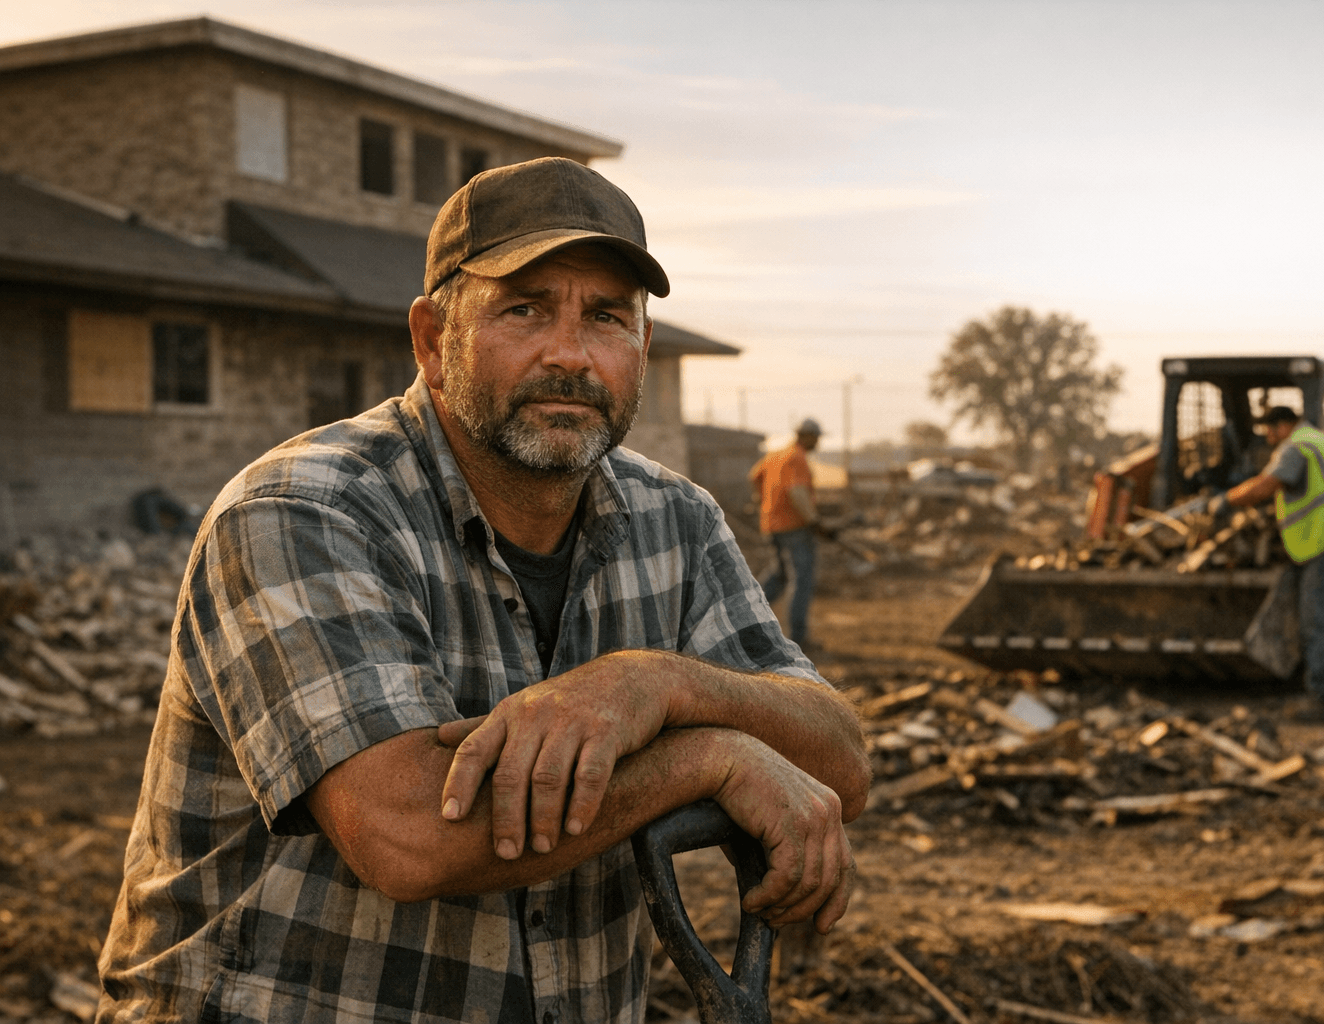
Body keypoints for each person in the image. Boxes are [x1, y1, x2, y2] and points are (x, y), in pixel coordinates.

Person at [96, 157, 870, 1024]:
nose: (570, 355)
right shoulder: (302, 511)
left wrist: (659, 684)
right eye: (524, 308)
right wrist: (708, 753)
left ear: (643, 348)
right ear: (433, 339)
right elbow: (410, 833)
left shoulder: (675, 518)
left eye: (607, 317)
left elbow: (840, 758)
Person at [1210, 405, 1324, 722]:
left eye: (1269, 430)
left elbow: (1267, 486)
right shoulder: (1321, 441)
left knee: (1320, 619)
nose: (1267, 437)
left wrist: (1226, 501)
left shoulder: (1295, 447)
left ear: (1283, 426)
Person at [750, 419, 829, 652]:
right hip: (793, 527)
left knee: (780, 575)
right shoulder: (797, 458)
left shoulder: (775, 455)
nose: (818, 442)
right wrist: (814, 522)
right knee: (801, 578)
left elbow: (754, 477)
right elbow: (797, 492)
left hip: (771, 525)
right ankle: (799, 637)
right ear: (807, 436)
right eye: (816, 437)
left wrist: (764, 502)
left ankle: (747, 619)